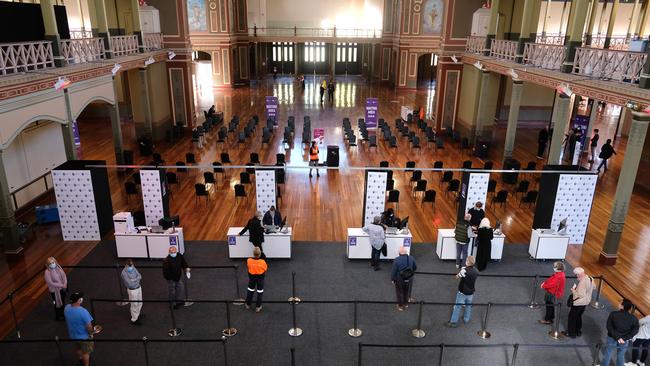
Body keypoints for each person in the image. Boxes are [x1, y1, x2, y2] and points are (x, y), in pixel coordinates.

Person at [599, 299, 639, 366]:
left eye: (620, 303)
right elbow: (635, 330)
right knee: (621, 355)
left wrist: (617, 338)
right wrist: (625, 338)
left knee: (608, 353)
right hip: (624, 340)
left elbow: (609, 327)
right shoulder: (634, 318)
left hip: (612, 337)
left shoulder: (613, 314)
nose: (619, 304)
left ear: (622, 306)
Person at [445, 256, 479, 328]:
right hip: (471, 292)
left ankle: (453, 322)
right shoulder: (476, 271)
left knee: (457, 307)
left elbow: (457, 277)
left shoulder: (464, 270)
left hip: (462, 292)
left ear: (468, 262)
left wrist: (461, 270)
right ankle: (466, 319)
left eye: (466, 260)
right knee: (468, 306)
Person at [64, 292, 96, 366]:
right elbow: (89, 327)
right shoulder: (83, 312)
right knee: (86, 352)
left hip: (73, 335)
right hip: (84, 337)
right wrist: (91, 333)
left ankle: (80, 359)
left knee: (78, 348)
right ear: (79, 300)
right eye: (80, 298)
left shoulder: (66, 308)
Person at [565, 267, 593, 338]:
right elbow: (594, 287)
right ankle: (578, 331)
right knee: (579, 316)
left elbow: (580, 295)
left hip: (579, 303)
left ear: (579, 274)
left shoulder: (582, 283)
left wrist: (573, 290)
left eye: (576, 275)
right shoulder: (590, 278)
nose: (576, 276)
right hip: (586, 302)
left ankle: (571, 333)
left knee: (572, 317)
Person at [391, 246, 416, 311]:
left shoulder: (396, 260)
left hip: (400, 279)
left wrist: (393, 279)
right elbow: (415, 267)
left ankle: (400, 306)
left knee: (400, 292)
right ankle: (406, 304)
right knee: (407, 291)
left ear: (399, 253)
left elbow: (393, 272)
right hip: (409, 278)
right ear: (406, 252)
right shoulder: (411, 258)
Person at [44, 256, 68, 321]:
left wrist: (65, 283)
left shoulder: (58, 267)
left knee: (63, 302)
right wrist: (62, 285)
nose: (52, 264)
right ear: (48, 265)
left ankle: (63, 314)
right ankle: (58, 316)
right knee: (57, 304)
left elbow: (64, 276)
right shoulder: (47, 272)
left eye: (53, 262)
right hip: (54, 291)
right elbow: (51, 283)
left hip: (62, 289)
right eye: (50, 263)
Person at [121, 259, 143, 325]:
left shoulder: (133, 267)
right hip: (132, 290)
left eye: (132, 265)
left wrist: (133, 279)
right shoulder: (123, 273)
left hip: (139, 287)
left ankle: (137, 315)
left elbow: (140, 276)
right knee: (134, 304)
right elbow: (130, 284)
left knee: (140, 302)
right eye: (129, 265)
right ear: (126, 265)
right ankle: (134, 319)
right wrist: (136, 279)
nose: (131, 267)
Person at [245, 247, 268, 312]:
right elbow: (265, 269)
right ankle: (258, 307)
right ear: (260, 254)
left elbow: (248, 267)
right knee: (259, 292)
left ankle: (248, 304)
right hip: (260, 279)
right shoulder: (262, 262)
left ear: (253, 253)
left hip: (251, 278)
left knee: (250, 291)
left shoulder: (248, 260)